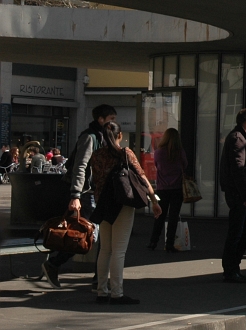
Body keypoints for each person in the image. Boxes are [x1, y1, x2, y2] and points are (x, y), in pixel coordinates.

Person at [40, 104, 116, 289]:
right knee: (88, 235)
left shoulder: (103, 137)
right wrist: (76, 195)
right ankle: (54, 264)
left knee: (101, 236)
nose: (113, 122)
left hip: (98, 193)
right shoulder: (90, 137)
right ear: (101, 119)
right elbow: (80, 167)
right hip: (87, 193)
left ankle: (99, 279)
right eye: (111, 119)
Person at [91, 121, 161, 304]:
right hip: (122, 203)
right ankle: (117, 293)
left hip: (103, 204)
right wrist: (154, 200)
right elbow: (142, 176)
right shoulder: (125, 153)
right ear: (120, 135)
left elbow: (96, 181)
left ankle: (101, 291)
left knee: (105, 249)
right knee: (119, 251)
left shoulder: (97, 155)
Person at [220, 109, 246, 283]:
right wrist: (245, 195)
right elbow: (238, 170)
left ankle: (233, 266)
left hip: (242, 194)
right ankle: (230, 269)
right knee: (237, 232)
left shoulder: (241, 138)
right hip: (239, 195)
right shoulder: (237, 139)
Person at [148, 128, 188, 253]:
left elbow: (156, 165)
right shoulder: (179, 152)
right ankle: (169, 243)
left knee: (159, 215)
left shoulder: (159, 152)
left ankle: (153, 242)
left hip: (162, 188)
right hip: (176, 188)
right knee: (173, 216)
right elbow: (185, 165)